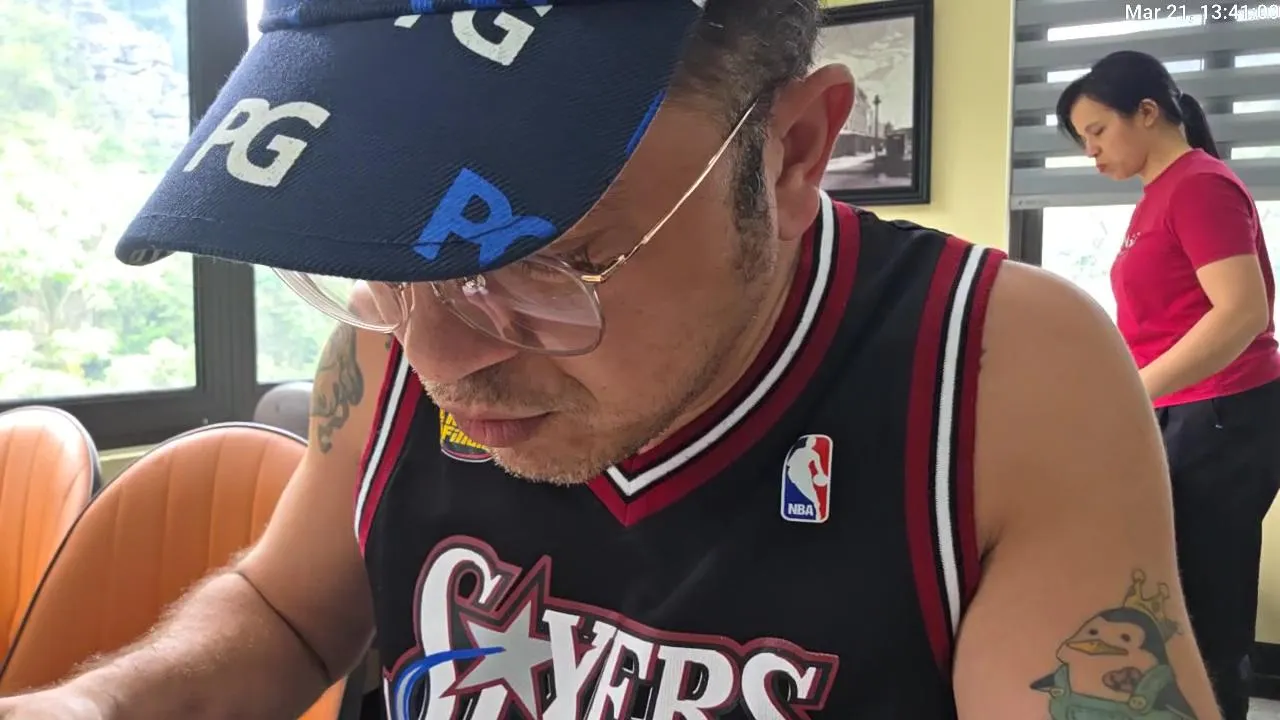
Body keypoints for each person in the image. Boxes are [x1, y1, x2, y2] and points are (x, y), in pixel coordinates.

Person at [0, 3, 1222, 719]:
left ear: (792, 153)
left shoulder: (998, 375)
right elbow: (282, 611)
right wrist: (95, 702)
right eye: (374, 251)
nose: (435, 361)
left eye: (535, 259)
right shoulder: (389, 340)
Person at [1057, 49, 1280, 720]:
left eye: (1098, 131)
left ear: (1147, 113)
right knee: (1168, 598)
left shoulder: (1199, 185)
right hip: (1183, 412)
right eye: (1083, 139)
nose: (1091, 152)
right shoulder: (1161, 194)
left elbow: (1242, 313)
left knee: (1206, 608)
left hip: (1222, 414)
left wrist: (1134, 390)